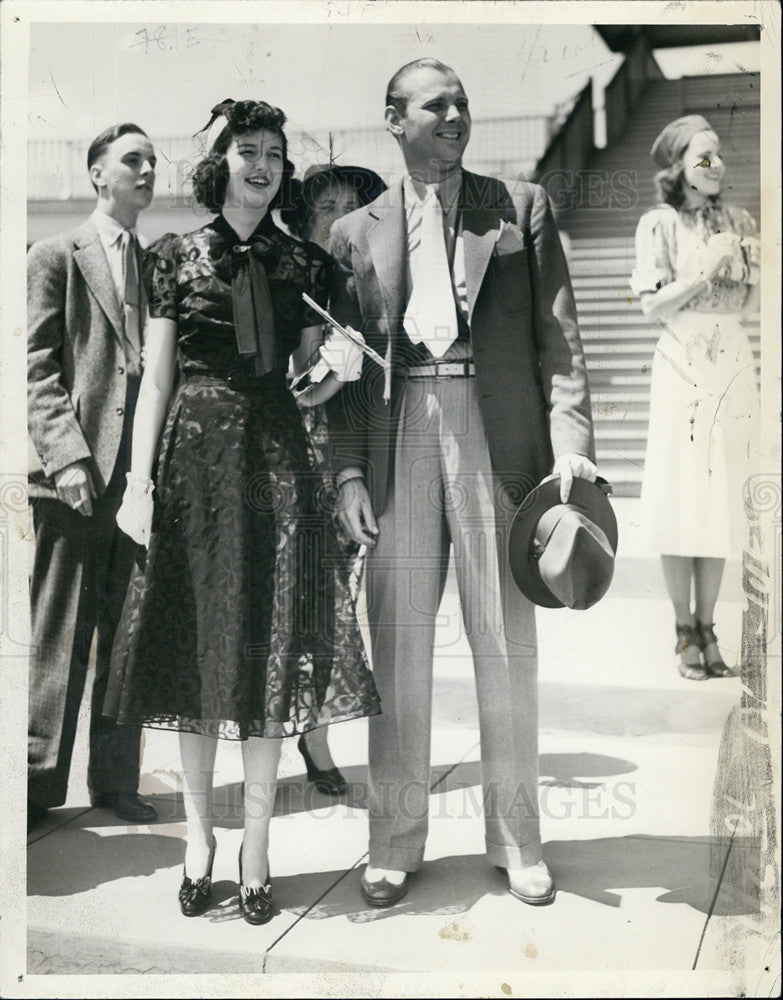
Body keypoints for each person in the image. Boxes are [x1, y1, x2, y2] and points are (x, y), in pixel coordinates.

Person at [325, 58, 597, 907]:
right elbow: (341, 363)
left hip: (496, 438)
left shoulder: (517, 207)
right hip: (397, 425)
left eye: (462, 102)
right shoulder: (352, 233)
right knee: (399, 646)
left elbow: (561, 345)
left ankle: (518, 841)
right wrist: (345, 473)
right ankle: (395, 840)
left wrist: (570, 448)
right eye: (434, 104)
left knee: (506, 645)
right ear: (393, 118)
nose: (454, 115)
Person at [103, 100, 380, 925]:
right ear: (219, 161)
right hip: (192, 466)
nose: (260, 165)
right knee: (197, 657)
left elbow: (323, 371)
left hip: (276, 468)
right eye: (245, 151)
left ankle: (256, 849)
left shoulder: (304, 263)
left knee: (266, 658)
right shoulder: (171, 257)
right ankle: (200, 842)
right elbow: (154, 381)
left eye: (272, 154)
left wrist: (333, 368)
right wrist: (139, 486)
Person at [26, 123, 159, 832]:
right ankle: (33, 783)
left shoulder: (154, 263)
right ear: (97, 175)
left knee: (125, 636)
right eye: (131, 160)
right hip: (74, 480)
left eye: (151, 162)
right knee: (60, 638)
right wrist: (68, 456)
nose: (146, 171)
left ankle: (114, 782)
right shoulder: (57, 256)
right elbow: (36, 367)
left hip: (136, 484)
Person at [630, 115, 760, 681]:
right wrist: (706, 271)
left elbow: (748, 305)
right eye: (702, 158)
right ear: (678, 168)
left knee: (720, 501)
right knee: (681, 496)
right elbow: (652, 305)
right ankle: (682, 629)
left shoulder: (739, 220)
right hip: (682, 360)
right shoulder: (659, 224)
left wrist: (752, 266)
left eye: (719, 156)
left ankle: (708, 625)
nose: (716, 167)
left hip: (730, 356)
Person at [281, 162, 387, 796]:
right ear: (305, 217)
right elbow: (288, 389)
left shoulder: (368, 280)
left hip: (364, 454)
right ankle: (300, 728)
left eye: (353, 204)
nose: (342, 215)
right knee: (301, 597)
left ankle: (317, 724)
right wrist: (325, 371)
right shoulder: (292, 278)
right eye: (328, 206)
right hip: (296, 459)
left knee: (337, 595)